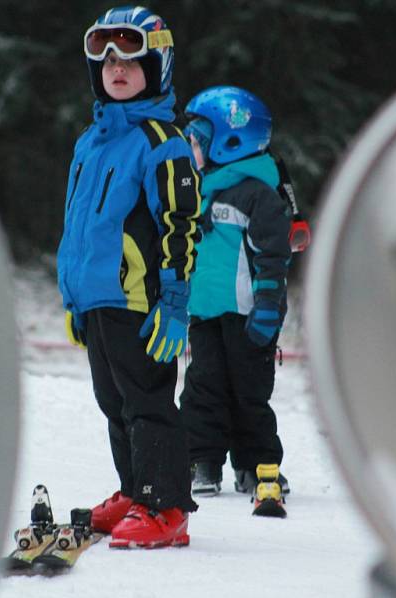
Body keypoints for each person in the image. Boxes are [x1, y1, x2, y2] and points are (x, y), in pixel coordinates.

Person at [56, 5, 201, 547]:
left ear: (156, 68)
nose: (117, 69)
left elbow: (181, 223)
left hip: (140, 300)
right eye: (108, 60)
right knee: (112, 401)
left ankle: (167, 507)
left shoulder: (162, 141)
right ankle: (135, 489)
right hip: (97, 297)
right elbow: (77, 222)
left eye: (131, 61)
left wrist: (176, 300)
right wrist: (74, 296)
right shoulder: (90, 142)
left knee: (147, 401)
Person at [178, 86, 292, 515]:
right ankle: (201, 461)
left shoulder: (257, 195)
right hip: (205, 313)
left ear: (229, 142)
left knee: (249, 392)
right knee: (203, 389)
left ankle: (259, 464)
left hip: (249, 316)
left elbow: (273, 256)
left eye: (196, 140)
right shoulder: (201, 189)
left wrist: (267, 304)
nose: (190, 147)